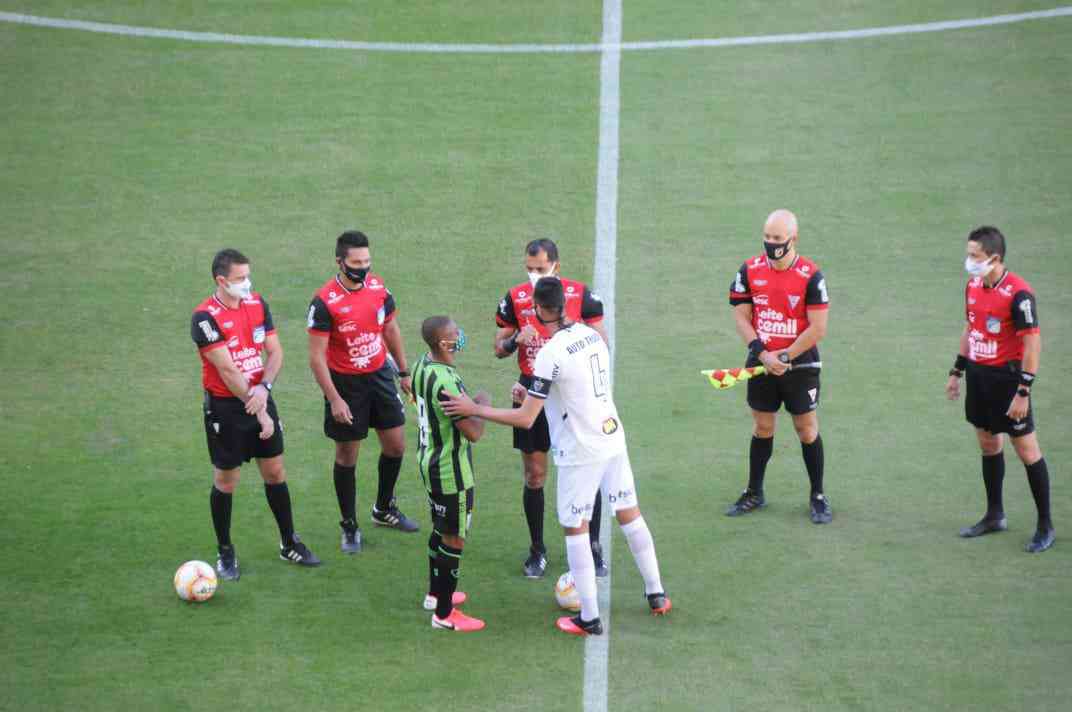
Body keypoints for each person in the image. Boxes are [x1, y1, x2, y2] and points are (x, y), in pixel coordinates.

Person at [447, 278, 671, 637]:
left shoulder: (550, 352)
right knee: (629, 512)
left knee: (575, 527)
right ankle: (656, 593)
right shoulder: (590, 334)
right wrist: (534, 391)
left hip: (581, 449)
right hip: (612, 435)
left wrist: (476, 408)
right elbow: (574, 385)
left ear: (537, 309)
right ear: (566, 306)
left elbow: (525, 418)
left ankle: (590, 617)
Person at [191, 248, 320, 580]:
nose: (247, 284)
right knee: (226, 479)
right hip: (226, 407)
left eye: (248, 276)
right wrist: (258, 408)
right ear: (221, 281)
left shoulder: (257, 304)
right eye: (240, 279)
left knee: (275, 471)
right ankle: (225, 551)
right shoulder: (204, 318)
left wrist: (264, 391)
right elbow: (228, 371)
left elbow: (275, 352)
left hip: (260, 395)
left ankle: (289, 542)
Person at [494, 238, 609, 579]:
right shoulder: (514, 298)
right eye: (529, 269)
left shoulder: (580, 294)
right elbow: (498, 348)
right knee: (535, 474)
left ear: (556, 265)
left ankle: (593, 546)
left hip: (572, 395)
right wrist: (516, 340)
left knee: (586, 473)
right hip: (532, 389)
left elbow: (601, 342)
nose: (533, 275)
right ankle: (537, 550)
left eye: (540, 269)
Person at [308, 230, 419, 554]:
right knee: (347, 455)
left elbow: (390, 329)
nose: (363, 268)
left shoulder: (378, 288)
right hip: (345, 384)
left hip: (379, 375)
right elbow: (316, 357)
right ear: (340, 261)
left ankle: (384, 508)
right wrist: (334, 398)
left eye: (367, 261)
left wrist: (403, 371)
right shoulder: (325, 302)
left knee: (396, 446)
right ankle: (349, 525)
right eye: (356, 262)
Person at [946, 226, 1054, 553]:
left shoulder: (1019, 295)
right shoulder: (973, 286)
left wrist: (1023, 391)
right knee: (988, 444)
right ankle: (995, 514)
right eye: (968, 254)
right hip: (979, 377)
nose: (969, 261)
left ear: (995, 258)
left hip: (1008, 382)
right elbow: (971, 328)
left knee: (1026, 450)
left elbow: (1032, 345)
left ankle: (1045, 525)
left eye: (974, 256)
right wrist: (957, 370)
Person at [726, 209, 831, 523]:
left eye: (777, 239)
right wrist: (762, 353)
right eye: (767, 237)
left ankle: (818, 495)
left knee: (806, 429)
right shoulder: (749, 271)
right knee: (763, 426)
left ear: (793, 239)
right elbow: (742, 317)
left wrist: (784, 357)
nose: (771, 244)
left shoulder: (811, 276)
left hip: (799, 367)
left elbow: (818, 328)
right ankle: (754, 492)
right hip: (762, 363)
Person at [412, 316, 489, 631]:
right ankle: (444, 614)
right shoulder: (446, 383)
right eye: (455, 333)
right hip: (451, 470)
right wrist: (482, 403)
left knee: (440, 527)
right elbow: (473, 432)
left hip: (428, 460)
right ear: (443, 343)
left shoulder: (421, 366)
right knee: (453, 537)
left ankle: (435, 593)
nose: (460, 336)